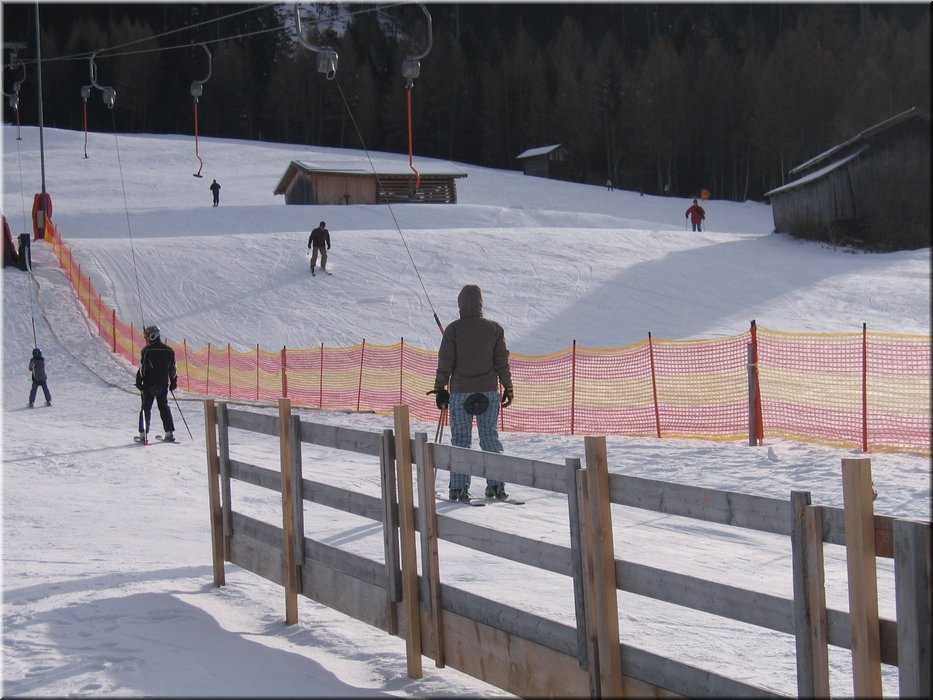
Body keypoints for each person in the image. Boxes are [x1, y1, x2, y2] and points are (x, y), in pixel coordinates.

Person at [430, 284, 515, 502]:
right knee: (489, 437)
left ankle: (458, 488)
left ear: (460, 304)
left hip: (461, 394)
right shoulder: (494, 329)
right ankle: (496, 485)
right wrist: (508, 387)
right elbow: (502, 362)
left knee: (460, 440)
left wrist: (440, 388)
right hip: (489, 393)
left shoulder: (453, 330)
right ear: (480, 303)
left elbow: (445, 362)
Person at [135, 325, 178, 442]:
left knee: (145, 408)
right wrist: (173, 382)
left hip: (149, 384)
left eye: (147, 336)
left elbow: (142, 368)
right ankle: (169, 433)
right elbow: (173, 369)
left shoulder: (147, 350)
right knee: (164, 407)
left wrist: (139, 381)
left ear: (153, 336)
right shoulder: (169, 350)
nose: (145, 338)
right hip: (163, 384)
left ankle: (143, 434)